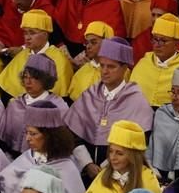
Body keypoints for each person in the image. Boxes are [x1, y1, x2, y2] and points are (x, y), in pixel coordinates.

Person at [65, 37, 153, 166]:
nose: (105, 71)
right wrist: (87, 164)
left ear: (124, 68)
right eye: (102, 65)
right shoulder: (90, 94)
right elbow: (73, 134)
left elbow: (138, 142)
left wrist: (107, 166)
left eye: (111, 67)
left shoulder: (136, 100)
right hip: (85, 170)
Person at [0, 100, 85, 193]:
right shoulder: (25, 159)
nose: (27, 138)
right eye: (27, 132)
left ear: (49, 136)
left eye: (33, 134)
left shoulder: (66, 167)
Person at [0, 9, 73, 98]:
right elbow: (6, 87)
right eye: (25, 33)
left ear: (45, 34)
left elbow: (59, 92)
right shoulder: (22, 55)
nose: (27, 37)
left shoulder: (59, 59)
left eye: (32, 33)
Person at [0, 53, 66, 151]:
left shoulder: (58, 107)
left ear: (45, 80)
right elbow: (4, 139)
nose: (28, 82)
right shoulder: (14, 104)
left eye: (34, 77)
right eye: (25, 77)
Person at [130, 13, 179, 108]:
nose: (157, 45)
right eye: (155, 39)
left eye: (163, 41)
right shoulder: (143, 63)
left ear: (176, 44)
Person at [67, 21, 114, 101]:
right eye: (87, 43)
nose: (88, 46)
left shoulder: (119, 72)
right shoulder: (81, 72)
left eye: (93, 42)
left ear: (108, 43)